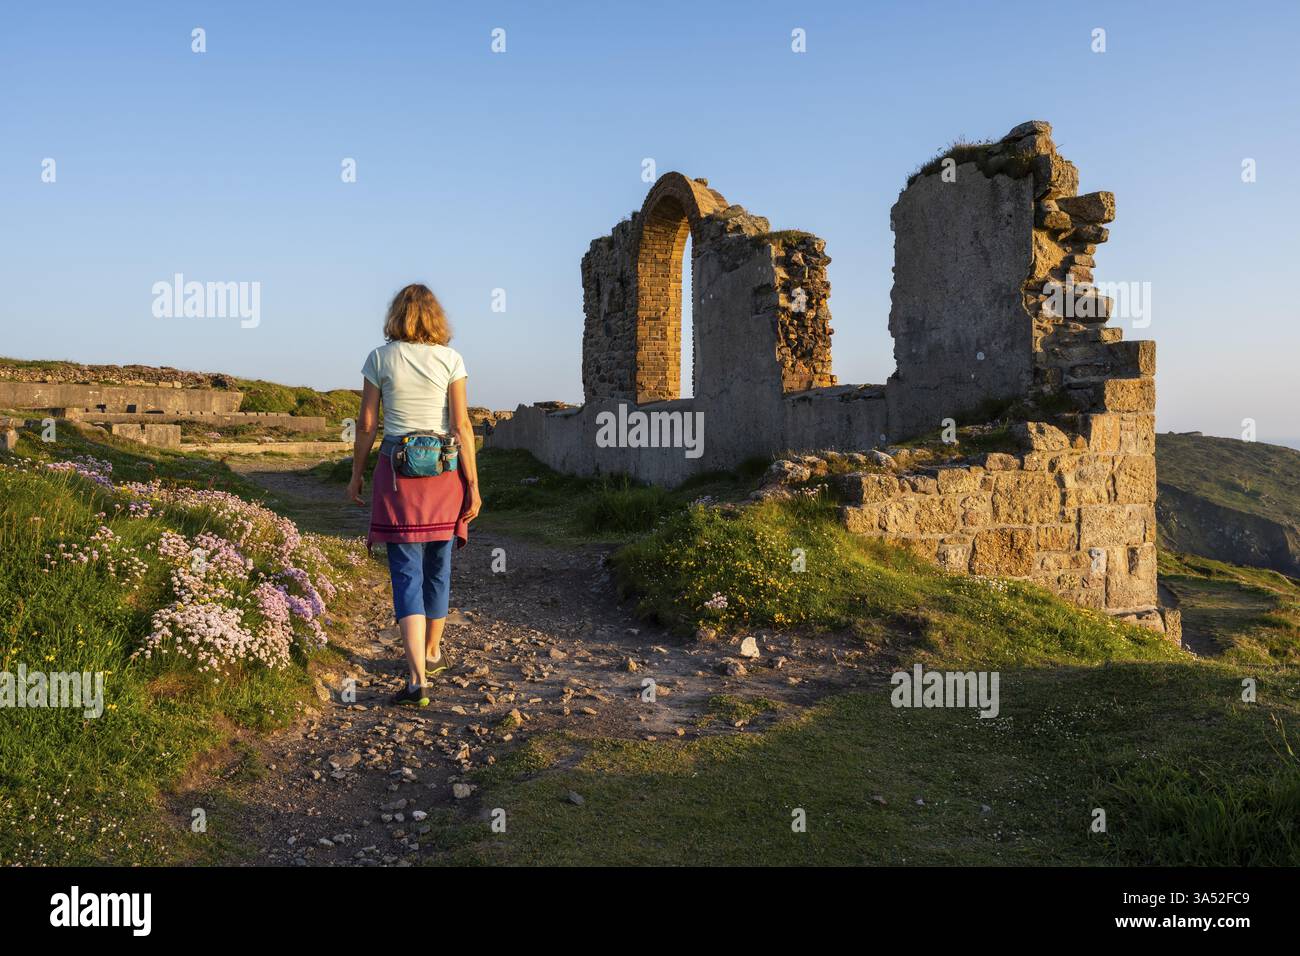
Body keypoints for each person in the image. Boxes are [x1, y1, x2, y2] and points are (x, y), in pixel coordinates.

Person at [347, 284, 482, 707]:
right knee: (439, 567)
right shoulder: (451, 359)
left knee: (405, 572)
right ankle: (432, 650)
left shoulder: (379, 358)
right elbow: (461, 427)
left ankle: (417, 679)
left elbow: (367, 424)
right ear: (435, 317)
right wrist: (474, 484)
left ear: (396, 315)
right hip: (444, 472)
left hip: (397, 470)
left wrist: (356, 474)